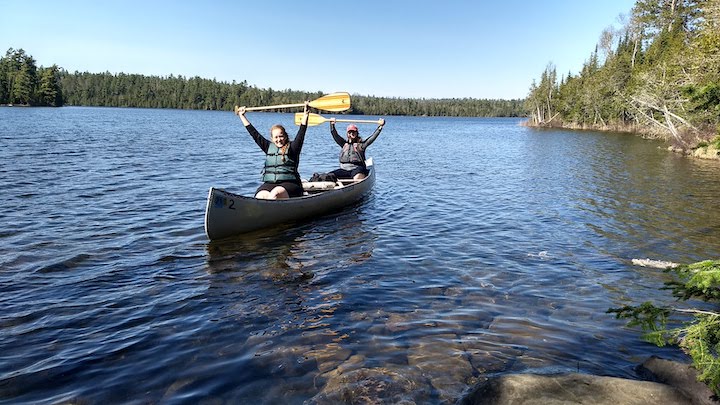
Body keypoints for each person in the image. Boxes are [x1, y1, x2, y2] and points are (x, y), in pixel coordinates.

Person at [235, 102, 310, 199]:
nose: (279, 139)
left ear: (285, 136)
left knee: (275, 194)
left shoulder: (293, 147)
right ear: (272, 138)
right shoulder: (268, 147)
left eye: (281, 136)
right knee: (261, 195)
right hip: (270, 183)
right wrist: (242, 116)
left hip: (291, 185)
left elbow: (301, 132)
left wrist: (306, 114)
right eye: (276, 137)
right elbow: (254, 133)